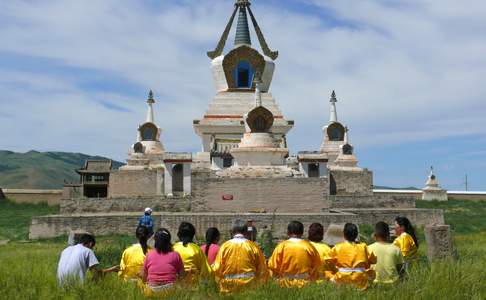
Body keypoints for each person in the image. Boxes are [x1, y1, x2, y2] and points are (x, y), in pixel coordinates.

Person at [212, 220, 268, 293]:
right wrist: (261, 284)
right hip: (249, 288)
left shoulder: (225, 246)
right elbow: (262, 268)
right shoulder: (253, 246)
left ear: (232, 231)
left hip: (228, 287)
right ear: (246, 232)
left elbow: (217, 268)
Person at [268, 221, 321, 288]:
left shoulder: (281, 246)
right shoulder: (309, 247)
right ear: (302, 232)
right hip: (305, 285)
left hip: (285, 284)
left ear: (288, 232)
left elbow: (272, 266)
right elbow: (317, 265)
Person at [326, 223, 377, 290]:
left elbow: (328, 261)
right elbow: (374, 260)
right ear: (356, 235)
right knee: (371, 272)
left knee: (327, 273)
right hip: (360, 279)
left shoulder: (338, 247)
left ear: (344, 235)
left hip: (342, 278)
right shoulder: (363, 246)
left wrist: (336, 268)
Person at [142, 228, 184, 296]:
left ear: (155, 241)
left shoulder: (149, 255)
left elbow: (144, 276)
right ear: (169, 240)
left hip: (152, 289)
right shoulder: (175, 255)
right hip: (170, 289)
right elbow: (182, 275)